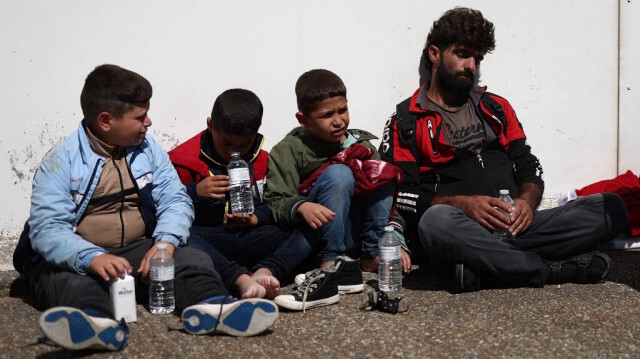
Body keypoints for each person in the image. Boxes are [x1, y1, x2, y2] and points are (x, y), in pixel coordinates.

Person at [12, 65, 278, 351]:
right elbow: (47, 229)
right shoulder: (61, 160)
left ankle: (213, 306)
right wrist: (92, 258)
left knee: (192, 259)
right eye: (140, 116)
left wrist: (164, 244)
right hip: (80, 256)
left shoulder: (148, 149)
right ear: (106, 121)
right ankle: (94, 323)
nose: (148, 122)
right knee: (62, 279)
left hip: (138, 251)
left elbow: (175, 199)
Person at [379, 7, 628, 292]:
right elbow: (404, 196)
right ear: (435, 54)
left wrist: (527, 202)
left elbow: (528, 164)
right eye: (462, 54)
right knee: (434, 222)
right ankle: (549, 269)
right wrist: (465, 206)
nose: (471, 65)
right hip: (462, 229)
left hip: (516, 226)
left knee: (610, 208)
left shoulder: (495, 107)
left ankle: (487, 268)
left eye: (478, 58)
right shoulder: (406, 121)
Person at [265, 69, 411, 310]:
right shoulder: (288, 150)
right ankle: (330, 264)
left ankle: (371, 255)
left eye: (342, 110)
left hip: (357, 234)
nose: (338, 121)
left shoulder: (360, 146)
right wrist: (302, 206)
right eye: (326, 115)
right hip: (316, 238)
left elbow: (389, 205)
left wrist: (395, 240)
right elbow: (274, 202)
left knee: (381, 171)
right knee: (339, 173)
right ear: (303, 120)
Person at [168, 88, 312, 300]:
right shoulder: (183, 161)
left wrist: (257, 218)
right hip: (211, 239)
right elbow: (165, 204)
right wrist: (195, 192)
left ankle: (266, 271)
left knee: (311, 226)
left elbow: (274, 203)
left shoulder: (263, 160)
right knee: (182, 236)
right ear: (210, 125)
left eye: (244, 144)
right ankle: (239, 279)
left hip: (252, 235)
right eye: (226, 143)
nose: (233, 151)